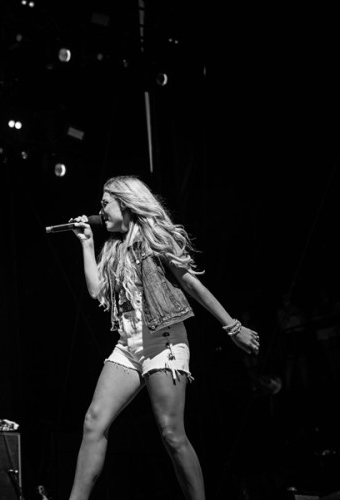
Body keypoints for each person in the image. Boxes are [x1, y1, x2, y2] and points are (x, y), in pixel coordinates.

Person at [66, 175, 260, 500]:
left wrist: (232, 327)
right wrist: (86, 243)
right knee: (94, 421)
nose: (100, 210)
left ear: (126, 204)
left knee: (171, 434)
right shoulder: (113, 247)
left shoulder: (153, 238)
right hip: (128, 344)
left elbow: (192, 284)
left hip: (163, 340)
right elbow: (97, 291)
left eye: (105, 203)